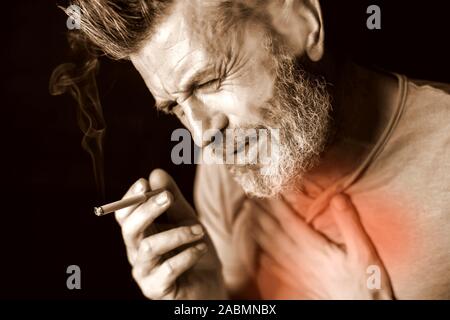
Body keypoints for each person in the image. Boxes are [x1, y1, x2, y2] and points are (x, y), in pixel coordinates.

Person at [73, 0, 450, 299]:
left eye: (207, 81)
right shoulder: (224, 177)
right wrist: (207, 299)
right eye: (175, 107)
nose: (202, 135)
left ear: (303, 22)